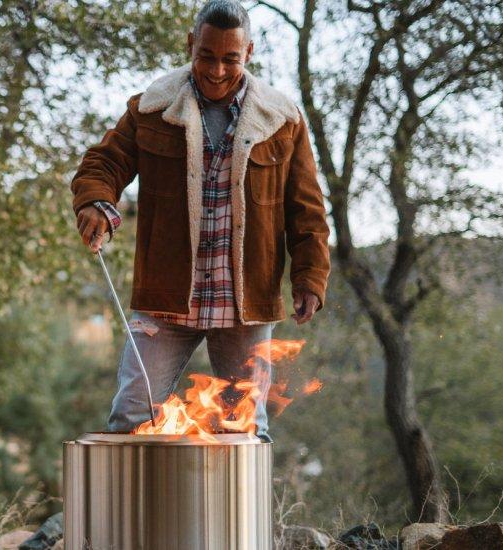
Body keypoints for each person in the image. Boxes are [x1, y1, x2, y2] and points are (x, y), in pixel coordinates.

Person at [70, 0, 330, 441]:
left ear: (248, 53)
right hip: (165, 298)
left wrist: (310, 276)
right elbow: (103, 164)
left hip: (245, 305)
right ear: (191, 44)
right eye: (206, 55)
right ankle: (139, 513)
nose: (216, 70)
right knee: (130, 420)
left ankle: (237, 514)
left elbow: (305, 206)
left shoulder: (283, 120)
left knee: (244, 430)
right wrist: (95, 202)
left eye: (229, 58)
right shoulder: (151, 107)